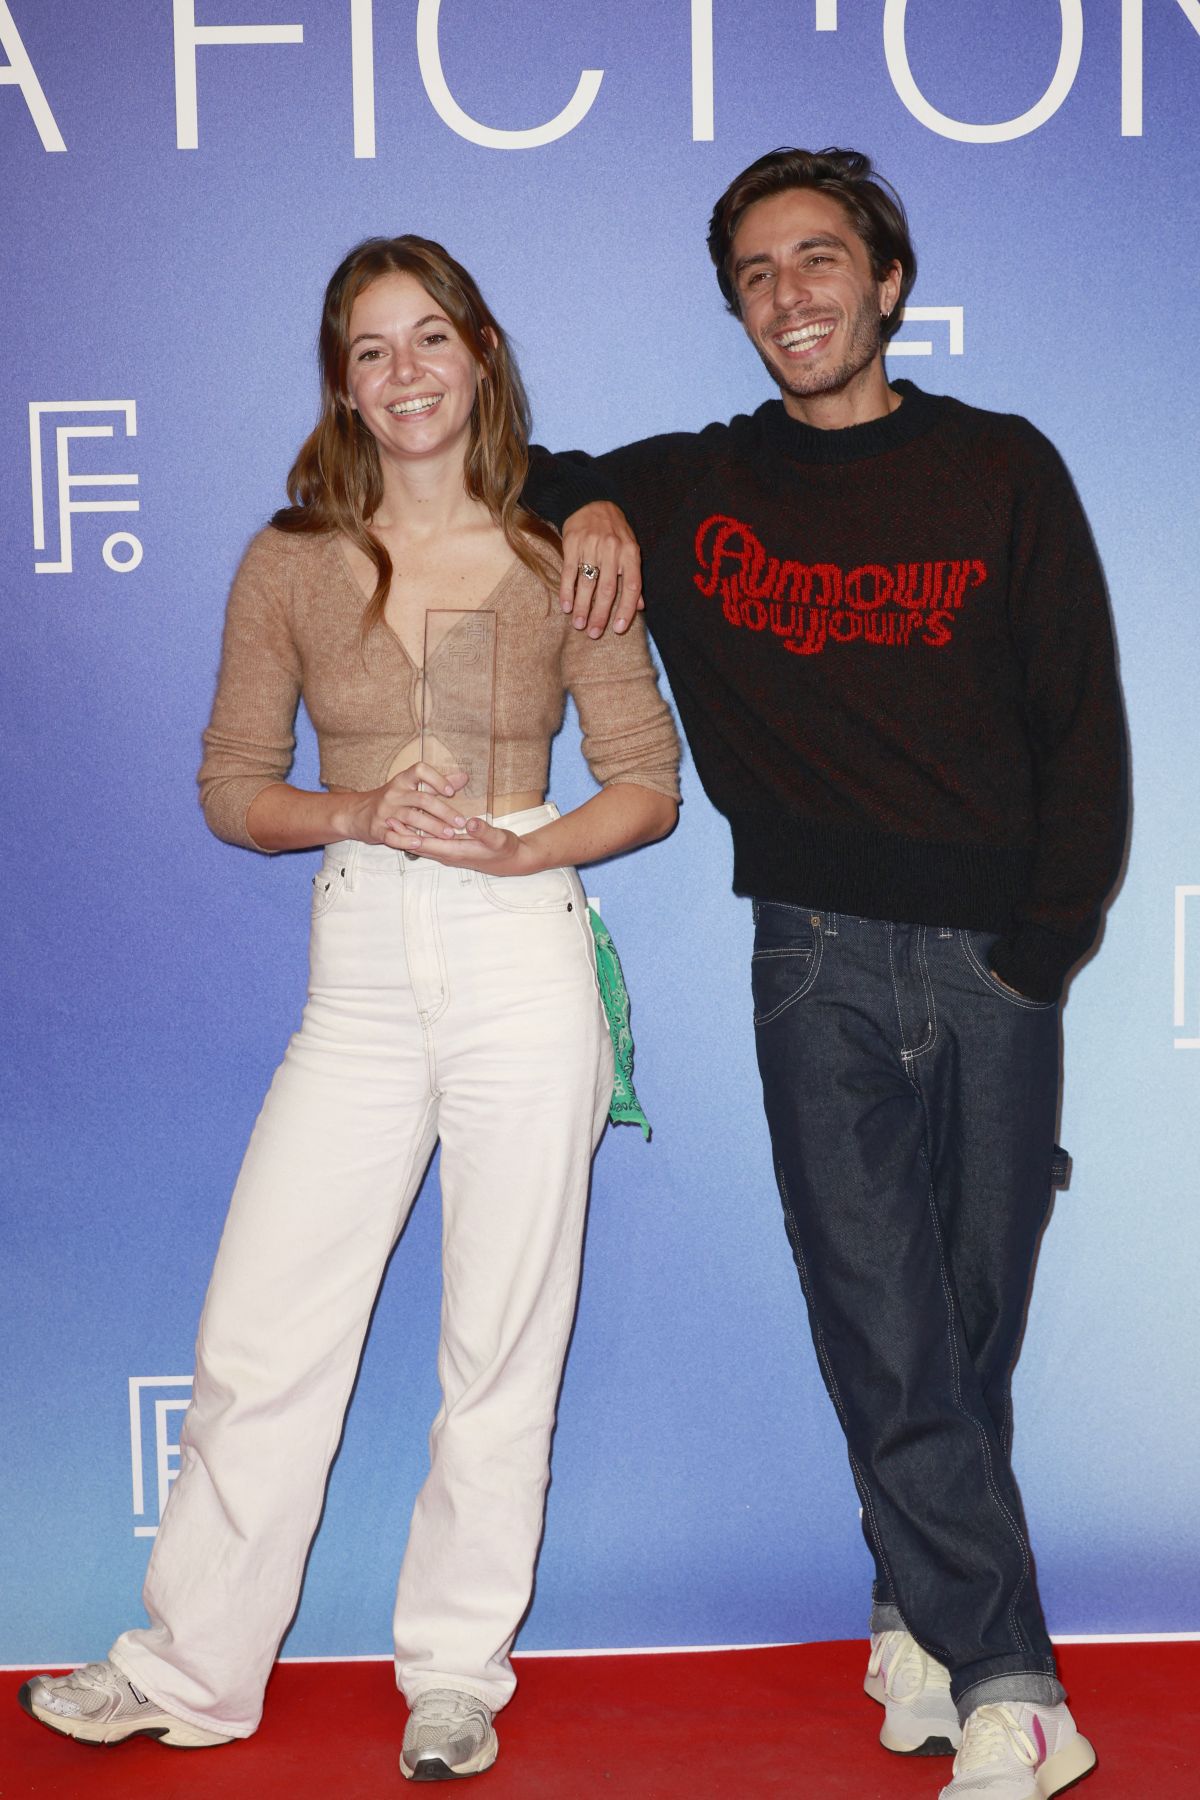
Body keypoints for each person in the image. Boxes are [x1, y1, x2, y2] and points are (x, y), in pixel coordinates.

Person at [18, 235, 679, 1782]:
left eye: (429, 338)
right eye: (370, 350)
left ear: (480, 353)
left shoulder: (564, 555)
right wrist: (357, 811)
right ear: (342, 384)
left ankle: (454, 1677)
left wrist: (524, 846)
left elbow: (646, 783)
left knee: (501, 1345)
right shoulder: (291, 561)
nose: (405, 374)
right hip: (361, 967)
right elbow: (232, 788)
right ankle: (189, 1669)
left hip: (524, 955)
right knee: (263, 1333)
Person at [524, 148, 1126, 1800]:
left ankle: (916, 1616)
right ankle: (1017, 1693)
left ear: (886, 281)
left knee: (966, 1337)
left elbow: (1083, 727)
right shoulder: (698, 485)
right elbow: (520, 466)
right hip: (813, 964)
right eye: (756, 275)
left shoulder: (1001, 467)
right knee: (883, 1324)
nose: (788, 294)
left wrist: (1037, 955)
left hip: (997, 963)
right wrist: (587, 502)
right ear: (739, 310)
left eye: (817, 259)